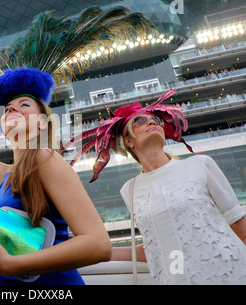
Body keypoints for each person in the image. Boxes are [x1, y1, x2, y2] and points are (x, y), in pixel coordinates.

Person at [64, 89, 246, 284]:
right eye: (140, 121)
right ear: (128, 141)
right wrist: (100, 251)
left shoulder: (201, 164)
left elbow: (240, 227)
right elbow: (155, 246)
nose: (152, 122)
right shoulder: (129, 190)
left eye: (156, 120)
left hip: (230, 274)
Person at [0, 67, 111, 285]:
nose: (12, 108)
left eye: (24, 104)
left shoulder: (45, 159)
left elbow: (99, 245)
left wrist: (11, 265)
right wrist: (0, 117)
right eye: (7, 108)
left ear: (43, 122)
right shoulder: (9, 175)